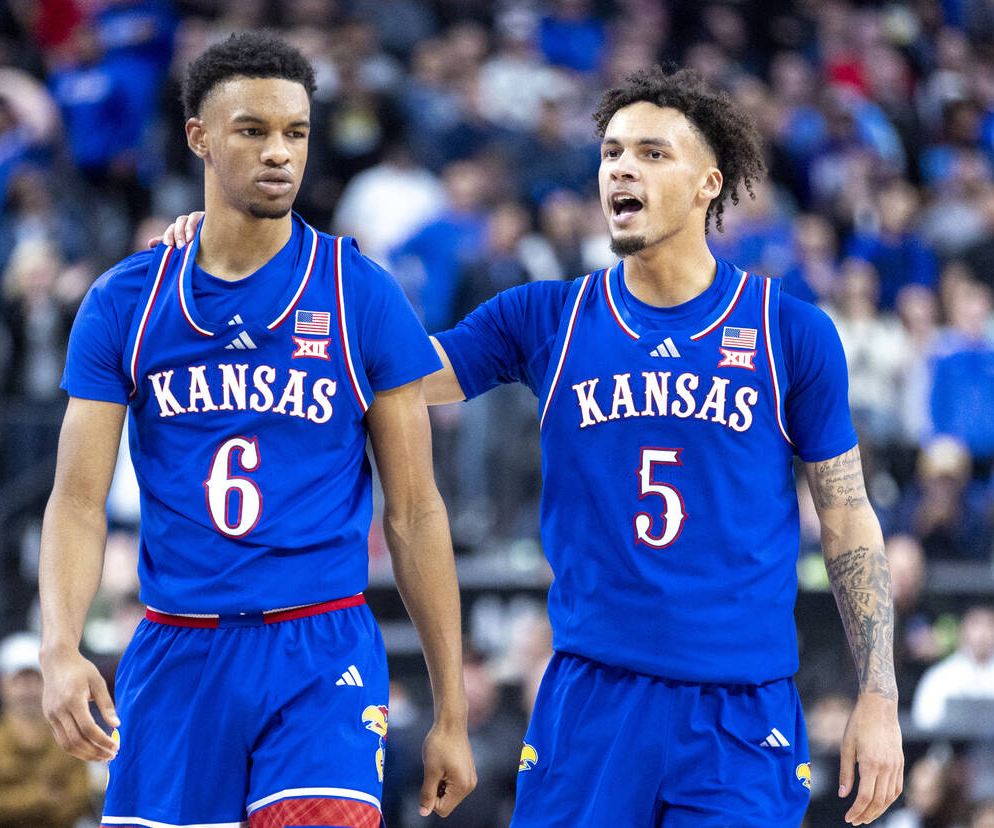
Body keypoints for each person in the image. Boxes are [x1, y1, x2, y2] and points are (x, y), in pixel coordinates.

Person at [162, 66, 906, 827]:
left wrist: (878, 692)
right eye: (612, 152)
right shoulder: (549, 314)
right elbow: (399, 376)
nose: (621, 167)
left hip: (742, 714)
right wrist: (244, 246)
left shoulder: (790, 331)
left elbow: (847, 518)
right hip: (592, 698)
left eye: (652, 154)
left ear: (708, 183)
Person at [40, 31, 475, 828]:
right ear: (200, 137)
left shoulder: (360, 294)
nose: (280, 153)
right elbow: (75, 501)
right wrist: (60, 647)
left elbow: (415, 512)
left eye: (296, 133)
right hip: (177, 648)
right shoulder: (125, 302)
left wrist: (451, 708)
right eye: (253, 130)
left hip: (320, 645)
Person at [0, 632, 92, 828]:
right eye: (19, 679)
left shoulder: (70, 740)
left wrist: (12, 799)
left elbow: (80, 799)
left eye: (35, 678)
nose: (27, 688)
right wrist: (42, 797)